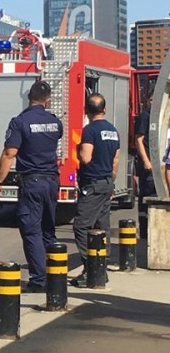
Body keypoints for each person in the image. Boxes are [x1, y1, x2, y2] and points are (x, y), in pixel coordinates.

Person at [0, 81, 63, 293]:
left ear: (29, 98)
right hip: (51, 181)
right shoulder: (55, 122)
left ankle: (39, 280)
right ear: (47, 100)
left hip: (32, 182)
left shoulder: (20, 122)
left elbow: (9, 153)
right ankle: (55, 276)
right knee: (48, 231)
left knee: (31, 230)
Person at [71, 93, 120, 287]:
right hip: (107, 181)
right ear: (104, 110)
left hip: (92, 183)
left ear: (86, 111)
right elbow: (115, 160)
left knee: (81, 226)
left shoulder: (89, 130)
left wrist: (79, 149)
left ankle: (90, 266)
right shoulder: (113, 130)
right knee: (102, 226)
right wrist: (110, 182)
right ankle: (101, 267)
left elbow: (86, 158)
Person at [134, 102, 155, 239]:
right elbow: (139, 140)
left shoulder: (157, 118)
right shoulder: (145, 116)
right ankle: (144, 232)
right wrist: (146, 161)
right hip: (148, 167)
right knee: (147, 196)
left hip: (158, 166)